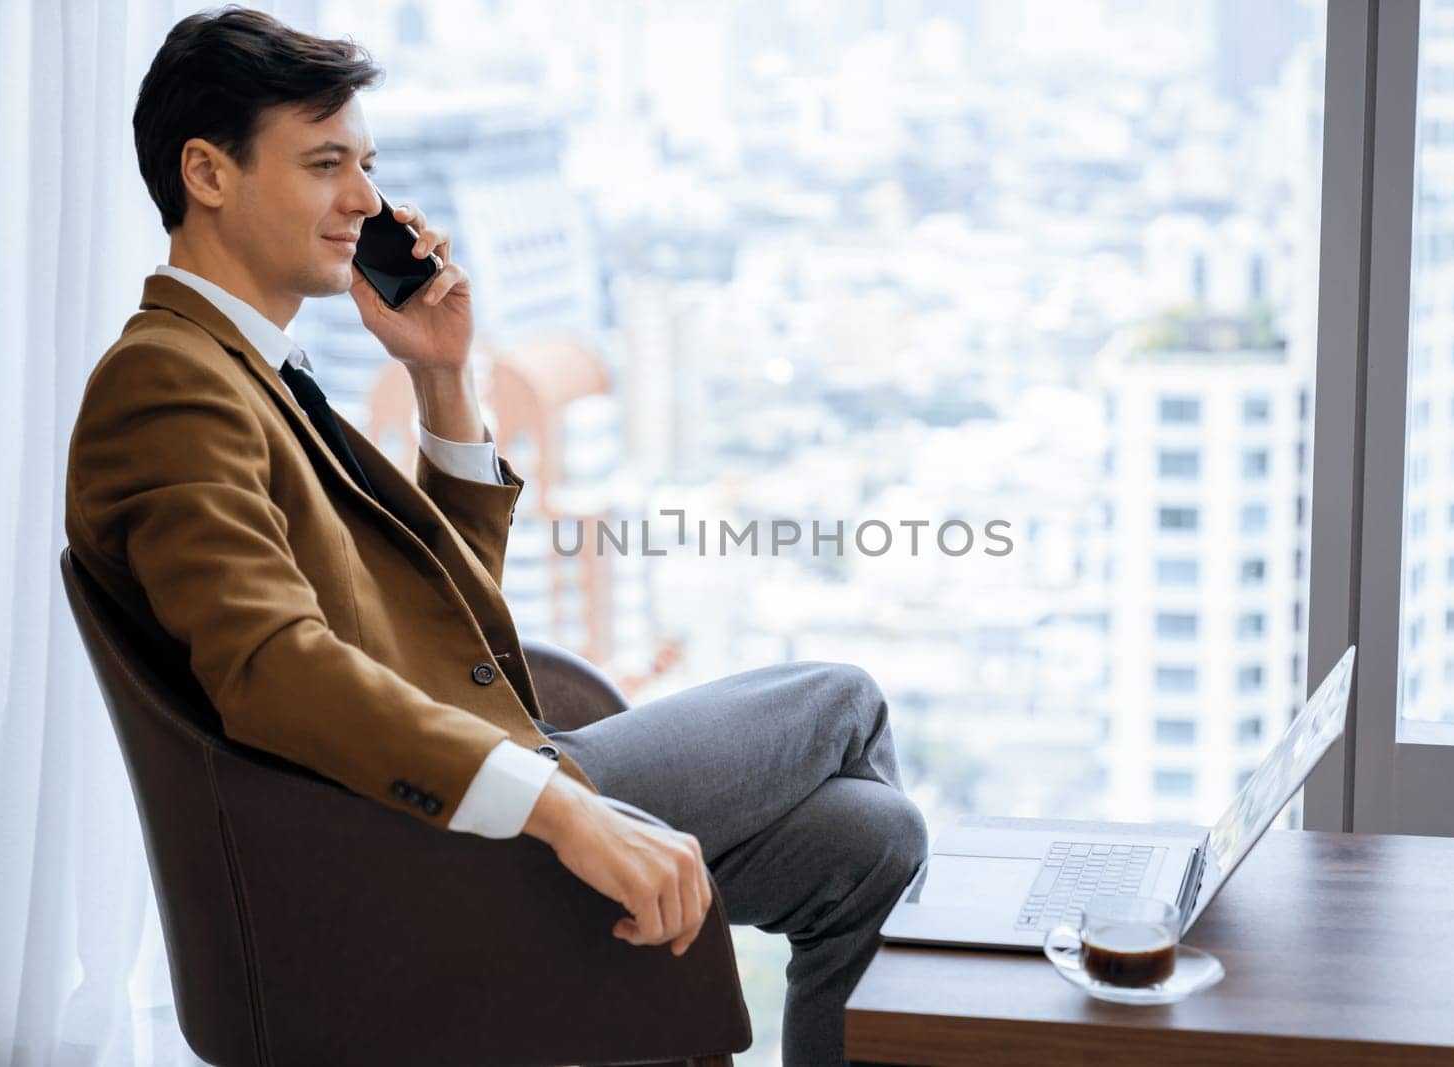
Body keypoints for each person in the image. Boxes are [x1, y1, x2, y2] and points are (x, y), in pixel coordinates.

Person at [63, 7, 926, 1063]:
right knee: (840, 698)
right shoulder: (170, 382)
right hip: (391, 859)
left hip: (419, 812)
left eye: (367, 164)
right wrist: (561, 810)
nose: (366, 202)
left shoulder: (248, 374)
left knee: (870, 841)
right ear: (207, 171)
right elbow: (271, 665)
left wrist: (440, 375)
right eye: (326, 162)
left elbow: (440, 629)